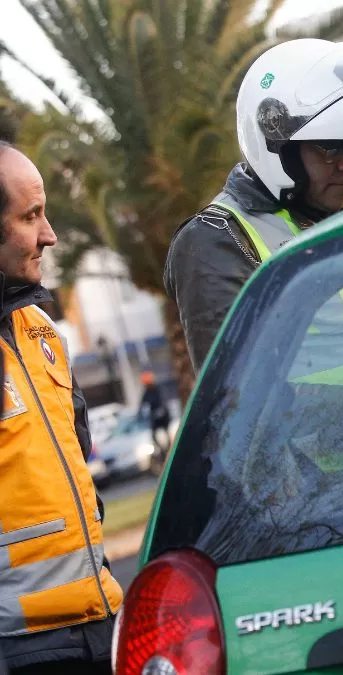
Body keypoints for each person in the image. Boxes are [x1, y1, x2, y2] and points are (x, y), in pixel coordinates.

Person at [163, 39, 343, 473]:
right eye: (330, 148)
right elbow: (235, 397)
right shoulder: (219, 239)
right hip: (318, 505)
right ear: (279, 146)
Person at [0, 142, 123, 673]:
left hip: (99, 622)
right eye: (31, 217)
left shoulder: (41, 330)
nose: (49, 234)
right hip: (19, 646)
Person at [137, 370, 170, 452]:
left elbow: (163, 400)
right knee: (153, 435)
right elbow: (142, 403)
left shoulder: (158, 389)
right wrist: (139, 414)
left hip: (163, 415)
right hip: (154, 416)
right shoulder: (147, 392)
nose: (147, 385)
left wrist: (162, 409)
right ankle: (162, 450)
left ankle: (169, 446)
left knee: (166, 431)